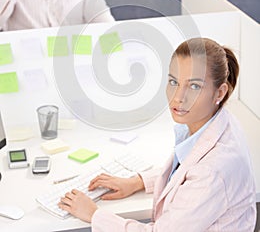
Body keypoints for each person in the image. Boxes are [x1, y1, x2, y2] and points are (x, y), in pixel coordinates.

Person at [59, 37, 256, 231]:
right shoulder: (217, 121)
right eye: (173, 82)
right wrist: (137, 182)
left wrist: (94, 214)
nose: (178, 97)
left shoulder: (213, 170)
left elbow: (202, 176)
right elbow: (186, 171)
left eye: (194, 86)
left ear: (219, 93)